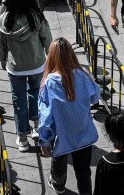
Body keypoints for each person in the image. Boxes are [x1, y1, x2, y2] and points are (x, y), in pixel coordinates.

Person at [37, 38, 103, 195]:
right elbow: (95, 97)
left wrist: (44, 140)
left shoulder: (49, 83)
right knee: (83, 173)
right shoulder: (83, 74)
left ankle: (58, 186)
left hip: (62, 134)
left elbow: (45, 117)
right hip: (84, 132)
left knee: (59, 160)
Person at [0, 0, 54, 151]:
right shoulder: (36, 17)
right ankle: (37, 126)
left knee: (18, 100)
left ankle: (22, 136)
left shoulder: (4, 20)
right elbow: (48, 40)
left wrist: (2, 59)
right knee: (37, 94)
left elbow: (2, 43)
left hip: (16, 67)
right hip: (37, 64)